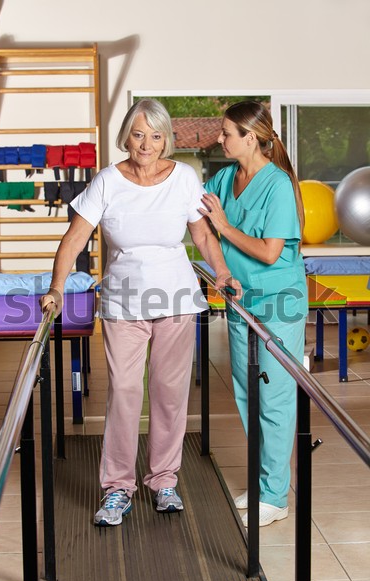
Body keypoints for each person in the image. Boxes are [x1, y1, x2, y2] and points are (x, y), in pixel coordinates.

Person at [40, 97, 241, 527]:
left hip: (177, 300)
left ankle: (164, 480)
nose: (146, 143)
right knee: (126, 393)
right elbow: (75, 238)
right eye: (138, 134)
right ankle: (117, 488)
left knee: (170, 395)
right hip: (123, 303)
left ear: (166, 138)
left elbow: (202, 237)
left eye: (155, 135)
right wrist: (56, 287)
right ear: (126, 137)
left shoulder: (184, 177)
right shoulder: (108, 181)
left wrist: (221, 273)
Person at [199, 101, 308, 527]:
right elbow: (193, 211)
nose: (219, 139)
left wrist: (224, 228)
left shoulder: (278, 184)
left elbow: (269, 251)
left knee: (276, 398)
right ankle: (264, 484)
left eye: (226, 133)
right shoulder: (226, 177)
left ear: (251, 137)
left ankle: (277, 496)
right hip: (242, 302)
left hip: (279, 303)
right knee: (249, 394)